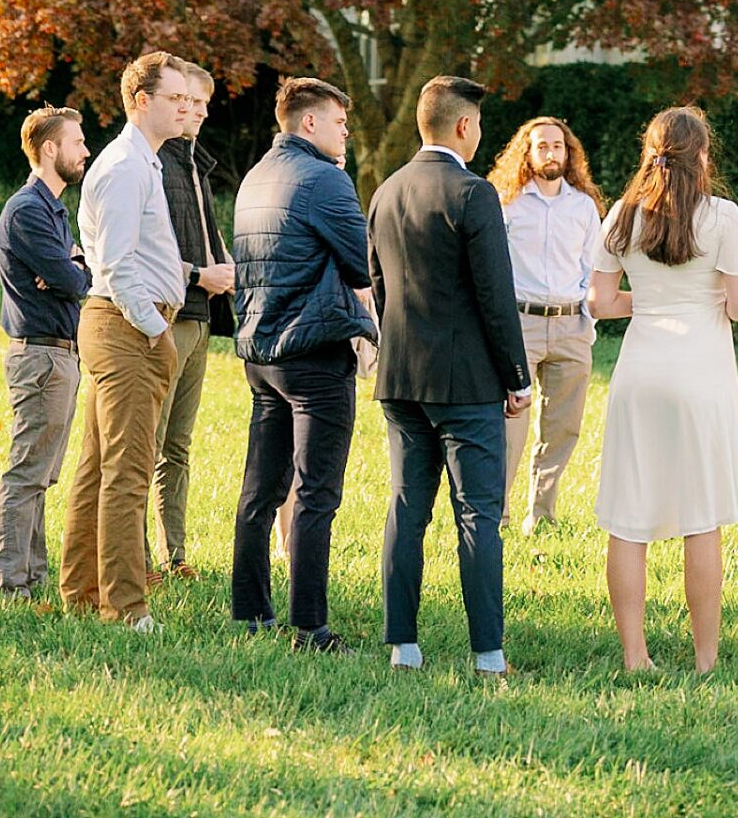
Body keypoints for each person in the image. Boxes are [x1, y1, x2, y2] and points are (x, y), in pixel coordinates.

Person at [367, 74, 531, 677]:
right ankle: (488, 654)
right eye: (479, 125)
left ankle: (402, 645)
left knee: (407, 507)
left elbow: (380, 290)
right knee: (478, 514)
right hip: (466, 385)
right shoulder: (473, 193)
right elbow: (496, 295)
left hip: (401, 376)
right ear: (464, 126)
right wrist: (517, 376)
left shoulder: (385, 192)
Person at [591, 106, 738, 674]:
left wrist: (656, 300)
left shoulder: (623, 215)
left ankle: (636, 657)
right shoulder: (723, 217)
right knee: (700, 517)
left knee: (628, 517)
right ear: (703, 156)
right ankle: (705, 659)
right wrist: (697, 299)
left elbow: (602, 303)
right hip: (700, 375)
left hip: (640, 371)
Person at [229, 76, 376, 651]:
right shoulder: (323, 180)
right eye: (340, 122)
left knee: (262, 486)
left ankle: (250, 610)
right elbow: (364, 265)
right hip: (313, 354)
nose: (346, 133)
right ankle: (310, 625)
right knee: (317, 492)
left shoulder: (255, 176)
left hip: (261, 352)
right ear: (309, 123)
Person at [60, 52, 193, 628]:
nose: (186, 108)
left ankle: (83, 593)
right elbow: (114, 265)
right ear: (141, 101)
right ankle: (125, 606)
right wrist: (159, 331)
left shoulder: (147, 163)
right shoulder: (124, 167)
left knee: (97, 465)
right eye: (175, 99)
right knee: (128, 470)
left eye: (190, 99)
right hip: (127, 325)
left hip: (128, 323)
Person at [0, 105, 91, 599]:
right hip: (41, 358)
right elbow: (75, 280)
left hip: (61, 356)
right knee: (27, 472)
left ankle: (32, 577)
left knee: (42, 475)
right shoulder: (28, 210)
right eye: (77, 143)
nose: (85, 151)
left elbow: (75, 272)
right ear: (50, 150)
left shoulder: (54, 210)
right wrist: (71, 269)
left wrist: (73, 267)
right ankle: (10, 586)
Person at [489, 116, 604, 532]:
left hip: (571, 325)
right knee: (510, 425)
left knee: (563, 427)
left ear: (568, 152)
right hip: (522, 323)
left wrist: (586, 323)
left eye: (558, 145)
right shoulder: (507, 203)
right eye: (542, 146)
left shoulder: (584, 206)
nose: (551, 153)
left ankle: (541, 513)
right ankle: (497, 514)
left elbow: (594, 267)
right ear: (528, 152)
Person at [151, 57, 236, 579]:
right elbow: (148, 248)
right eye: (189, 103)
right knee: (148, 441)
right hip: (169, 312)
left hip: (201, 317)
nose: (197, 113)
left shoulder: (192, 162)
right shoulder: (155, 163)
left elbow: (204, 233)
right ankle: (137, 558)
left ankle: (174, 554)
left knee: (177, 446)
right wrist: (198, 275)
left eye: (202, 104)